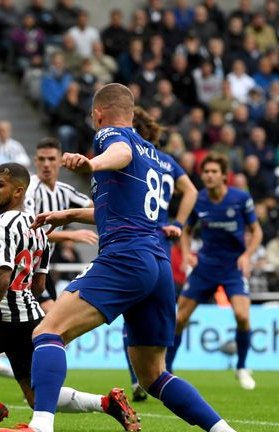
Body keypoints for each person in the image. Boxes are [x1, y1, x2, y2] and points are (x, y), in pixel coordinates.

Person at [7, 83, 236, 432]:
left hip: (125, 256)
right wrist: (67, 214)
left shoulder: (110, 135)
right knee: (153, 375)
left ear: (99, 114)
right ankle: (224, 430)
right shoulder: (157, 158)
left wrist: (90, 163)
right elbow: (120, 209)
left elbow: (119, 153)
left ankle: (40, 426)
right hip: (157, 263)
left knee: (48, 331)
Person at [0, 163, 137, 431]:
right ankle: (106, 403)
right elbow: (39, 283)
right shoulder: (40, 228)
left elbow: (1, 278)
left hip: (2, 320)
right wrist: (23, 303)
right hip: (31, 320)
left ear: (18, 191)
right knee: (39, 399)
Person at [119, 106, 198, 402]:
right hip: (162, 244)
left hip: (136, 239)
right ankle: (160, 372)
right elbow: (191, 191)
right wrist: (177, 223)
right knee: (161, 313)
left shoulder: (133, 157)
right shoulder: (166, 161)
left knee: (132, 313)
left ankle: (138, 378)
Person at [166, 153, 263, 390]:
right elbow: (186, 231)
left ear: (223, 176)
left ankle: (241, 366)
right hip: (205, 268)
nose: (208, 175)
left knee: (242, 316)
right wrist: (187, 254)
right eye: (205, 172)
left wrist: (246, 255)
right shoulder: (198, 199)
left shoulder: (240, 198)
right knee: (179, 319)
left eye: (213, 172)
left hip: (232, 268)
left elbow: (257, 231)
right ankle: (166, 370)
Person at [24, 137, 95, 312]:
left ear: (61, 161)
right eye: (42, 159)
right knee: (51, 317)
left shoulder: (65, 191)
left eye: (51, 159)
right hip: (24, 266)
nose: (46, 164)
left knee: (44, 325)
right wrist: (70, 235)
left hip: (41, 268)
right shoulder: (30, 189)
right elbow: (29, 232)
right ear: (35, 161)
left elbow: (97, 209)